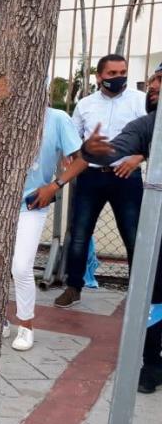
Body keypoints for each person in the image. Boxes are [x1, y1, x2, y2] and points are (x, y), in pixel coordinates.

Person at [0, 76, 83, 351]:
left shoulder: (57, 119)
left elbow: (82, 159)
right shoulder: (2, 116)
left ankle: (26, 326)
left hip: (31, 204)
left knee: (21, 267)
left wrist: (54, 185)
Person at [81, 61, 161, 393]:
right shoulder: (147, 125)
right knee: (155, 294)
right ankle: (152, 363)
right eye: (154, 78)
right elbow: (111, 151)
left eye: (161, 80)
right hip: (158, 228)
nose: (153, 85)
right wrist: (93, 151)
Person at [54, 54, 147, 309]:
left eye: (122, 72)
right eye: (112, 74)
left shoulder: (140, 101)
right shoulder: (85, 105)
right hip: (91, 176)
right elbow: (73, 138)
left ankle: (138, 293)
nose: (118, 78)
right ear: (99, 76)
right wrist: (72, 156)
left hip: (126, 176)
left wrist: (137, 158)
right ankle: (73, 288)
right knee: (79, 234)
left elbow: (152, 136)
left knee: (133, 236)